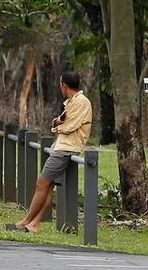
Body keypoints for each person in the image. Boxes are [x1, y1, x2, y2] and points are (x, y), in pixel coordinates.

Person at [10, 70, 93, 232]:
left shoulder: (81, 102)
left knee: (41, 183)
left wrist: (56, 127)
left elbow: (70, 126)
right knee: (47, 186)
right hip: (61, 146)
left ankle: (26, 220)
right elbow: (64, 121)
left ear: (64, 85)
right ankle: (34, 224)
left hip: (66, 149)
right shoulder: (72, 102)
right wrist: (58, 123)